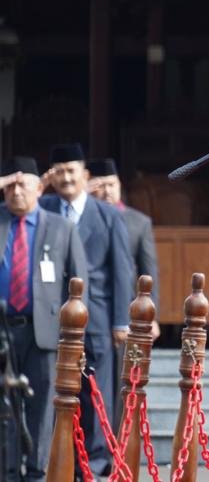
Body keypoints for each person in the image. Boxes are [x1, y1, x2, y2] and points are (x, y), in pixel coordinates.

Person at [39, 143, 134, 478]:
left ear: (85, 175)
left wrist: (122, 320)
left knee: (96, 391)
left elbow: (121, 268)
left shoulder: (107, 214)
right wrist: (39, 184)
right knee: (54, 389)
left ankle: (93, 464)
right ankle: (56, 459)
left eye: (71, 171)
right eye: (59, 172)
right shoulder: (43, 207)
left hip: (97, 314)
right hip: (51, 315)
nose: (66, 178)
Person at [0, 156, 88, 480]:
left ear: (40, 188)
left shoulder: (61, 227)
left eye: (23, 184)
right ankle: (7, 470)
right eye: (9, 185)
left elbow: (78, 285)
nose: (16, 191)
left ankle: (37, 471)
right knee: (5, 407)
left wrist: (75, 338)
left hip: (44, 331)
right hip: (3, 331)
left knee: (41, 409)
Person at [86, 158, 159, 336]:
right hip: (89, 306)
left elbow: (148, 273)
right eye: (101, 186)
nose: (107, 191)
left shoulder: (139, 222)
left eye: (112, 184)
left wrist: (152, 315)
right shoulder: (81, 219)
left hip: (127, 306)